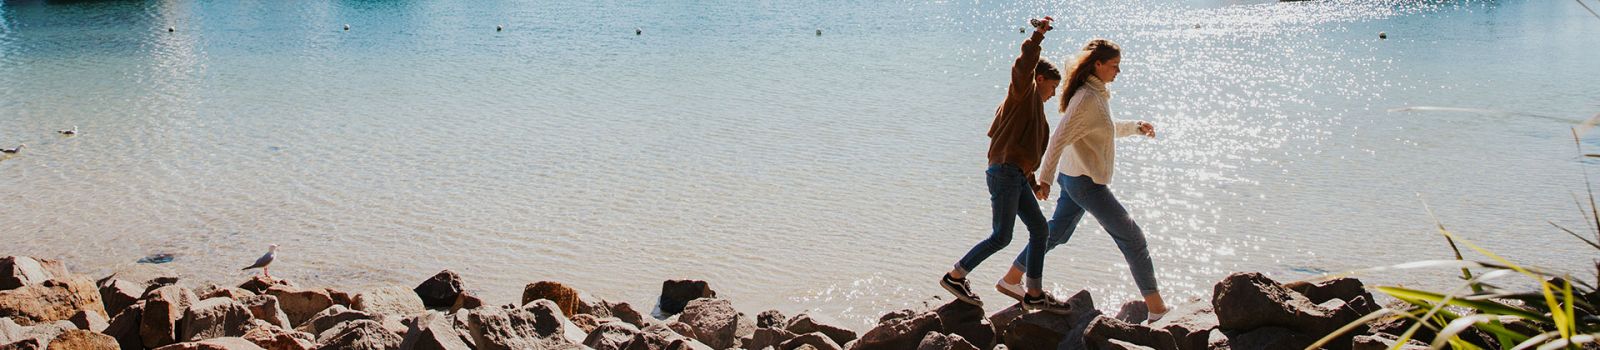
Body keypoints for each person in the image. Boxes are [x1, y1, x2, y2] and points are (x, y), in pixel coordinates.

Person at [1000, 38, 1170, 322]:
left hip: (1075, 176)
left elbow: (1101, 129)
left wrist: (1136, 128)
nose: (1118, 72)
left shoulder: (1094, 93)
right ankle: (1156, 310)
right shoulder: (1087, 98)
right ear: (1098, 64)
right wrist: (1044, 180)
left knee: (1056, 233)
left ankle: (1011, 278)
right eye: (1114, 66)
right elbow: (1058, 139)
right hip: (1084, 182)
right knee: (1133, 239)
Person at [940, 16, 1073, 314]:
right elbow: (1023, 68)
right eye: (1052, 87)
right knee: (1002, 235)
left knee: (1040, 230)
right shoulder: (1022, 96)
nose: (1053, 94)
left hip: (1013, 175)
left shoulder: (1036, 113)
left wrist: (1035, 183)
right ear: (1039, 80)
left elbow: (1024, 157)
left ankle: (1034, 292)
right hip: (1004, 174)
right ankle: (955, 276)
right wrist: (1037, 37)